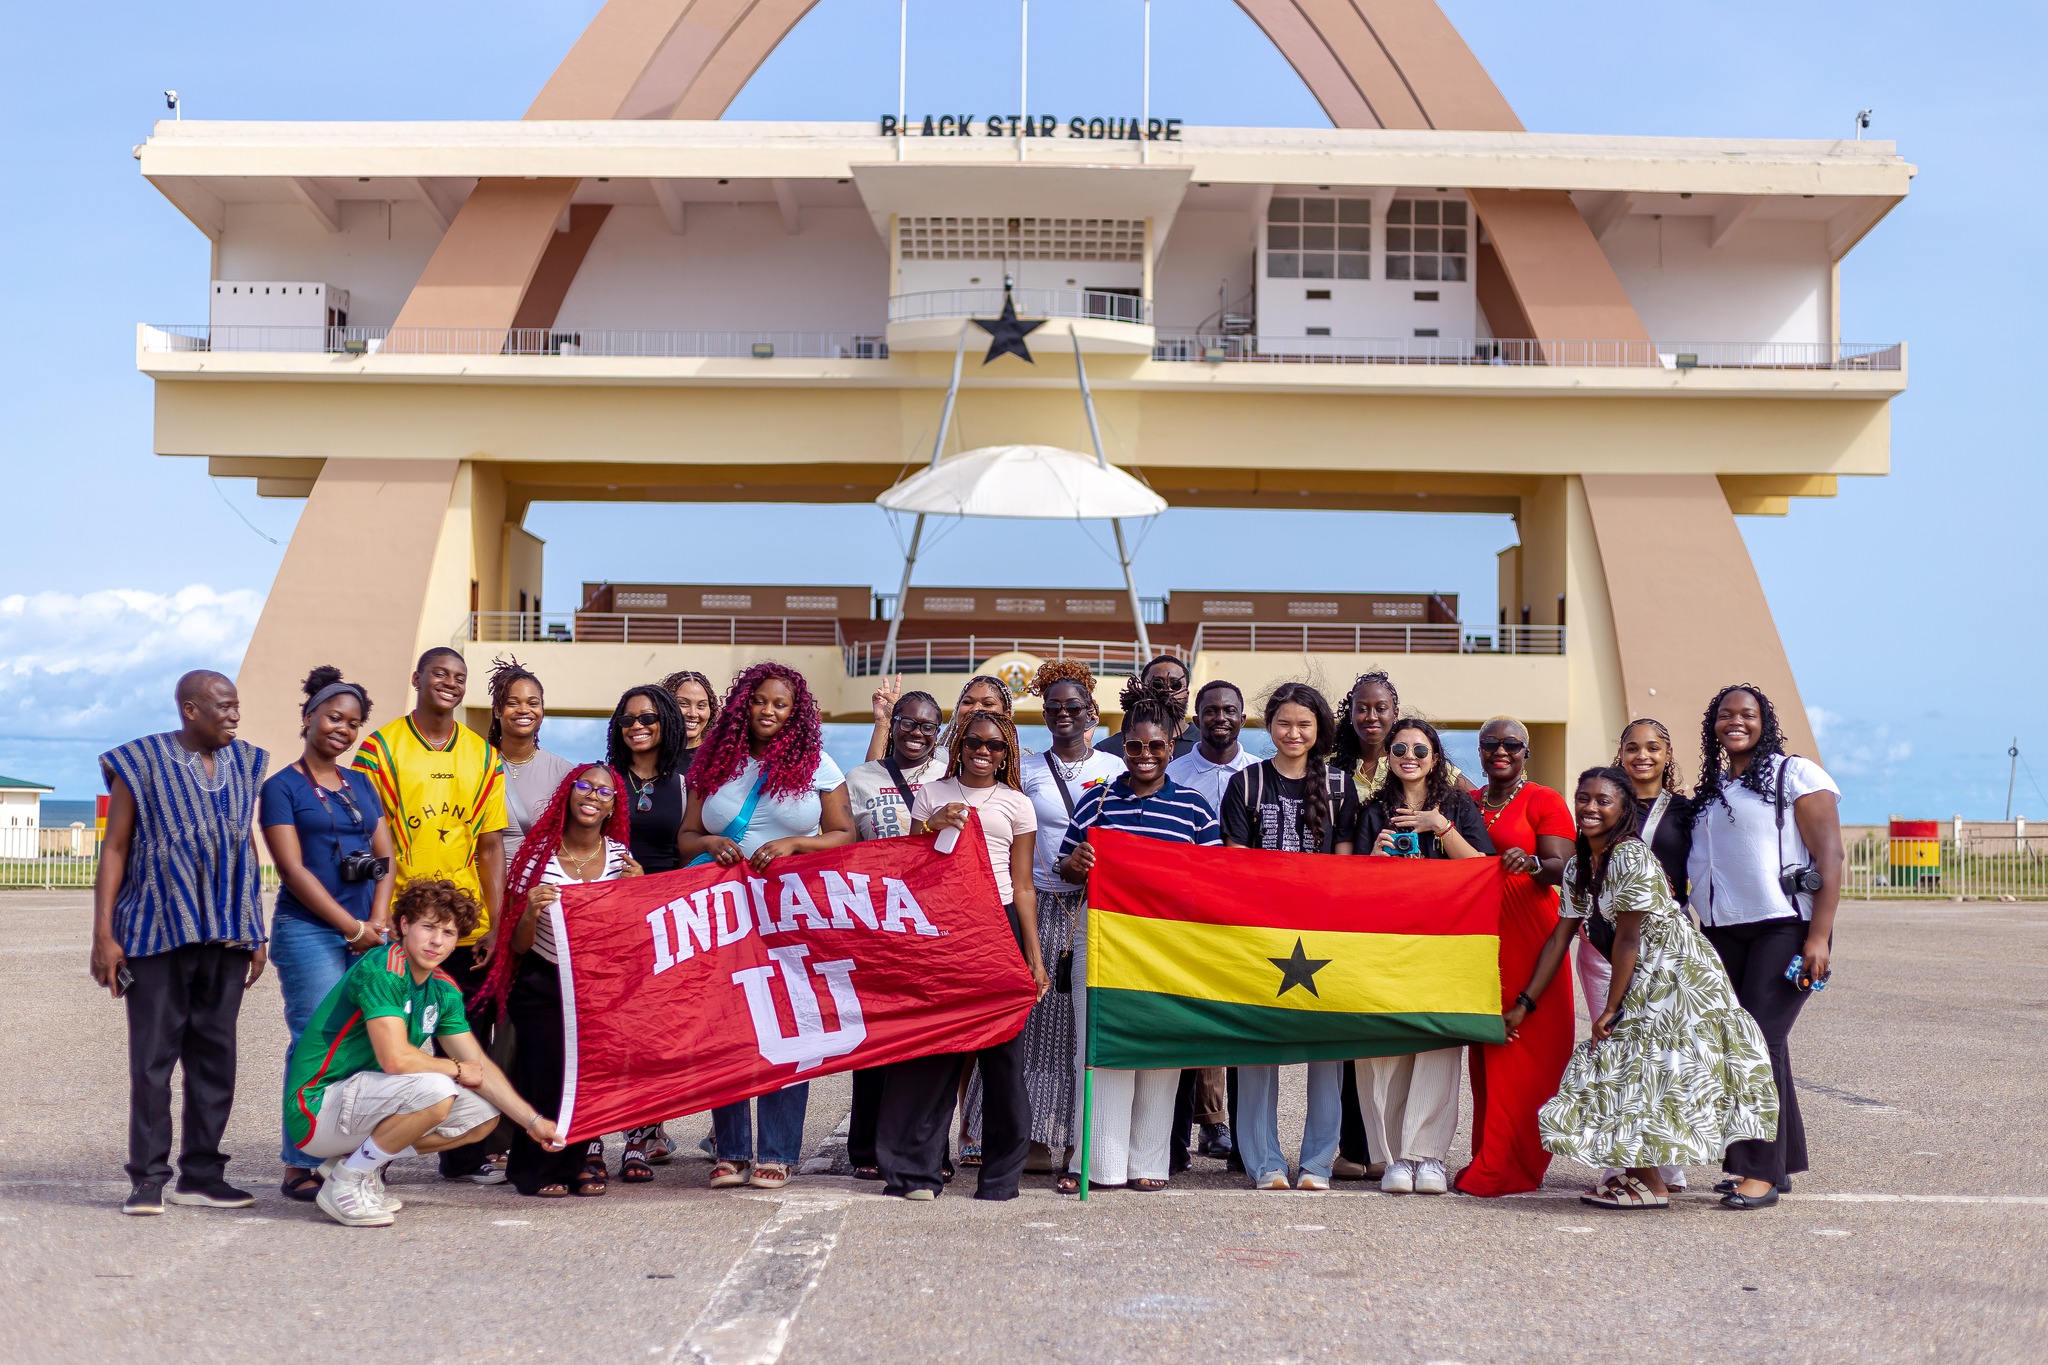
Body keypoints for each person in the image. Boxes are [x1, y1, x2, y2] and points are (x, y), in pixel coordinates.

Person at [1510, 767, 1778, 1210]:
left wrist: (1610, 1009)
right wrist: (1525, 1003)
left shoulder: (1630, 856)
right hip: (1640, 969)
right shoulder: (1579, 864)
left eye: (1603, 800)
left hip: (1675, 972)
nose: (1590, 808)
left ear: (1623, 810)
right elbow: (1561, 936)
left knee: (1637, 1064)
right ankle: (1647, 1180)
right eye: (1583, 798)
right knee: (1632, 1070)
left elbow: (1630, 937)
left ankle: (1652, 1183)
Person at [285, 878, 568, 1227]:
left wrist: (533, 1122)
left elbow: (479, 1064)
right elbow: (396, 1059)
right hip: (316, 1107)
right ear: (404, 925)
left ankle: (357, 1163)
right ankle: (346, 1180)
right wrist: (456, 1069)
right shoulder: (384, 968)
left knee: (481, 1114)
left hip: (361, 1102)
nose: (437, 941)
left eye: (448, 933)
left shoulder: (443, 989)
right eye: (428, 927)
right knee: (437, 1089)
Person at [93, 671, 271, 1216]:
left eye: (238, 705)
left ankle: (202, 1175)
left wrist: (254, 926)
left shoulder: (248, 763)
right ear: (190, 710)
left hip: (227, 931)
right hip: (155, 931)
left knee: (216, 1057)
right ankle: (147, 1179)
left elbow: (245, 846)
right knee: (153, 1058)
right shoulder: (140, 762)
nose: (235, 716)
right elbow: (116, 848)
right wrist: (103, 935)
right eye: (223, 707)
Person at [679, 662, 853, 1190]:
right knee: (724, 1026)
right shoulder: (712, 761)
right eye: (761, 701)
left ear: (796, 712)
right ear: (743, 705)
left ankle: (778, 1151)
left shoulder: (819, 765)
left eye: (781, 704)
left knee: (787, 1022)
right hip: (720, 911)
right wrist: (710, 844)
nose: (770, 711)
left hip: (787, 911)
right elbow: (686, 837)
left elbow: (844, 834)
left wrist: (796, 844)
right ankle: (730, 1150)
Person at [1056, 676, 1222, 1193]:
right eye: (1135, 745)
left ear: (1171, 747)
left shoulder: (1195, 806)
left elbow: (1213, 876)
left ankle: (1148, 1161)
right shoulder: (1097, 802)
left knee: (1158, 1049)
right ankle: (1095, 1162)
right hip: (1103, 941)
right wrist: (1077, 863)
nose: (1145, 754)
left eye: (1155, 745)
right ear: (1121, 747)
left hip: (1166, 945)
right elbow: (1064, 863)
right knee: (1100, 1047)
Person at [876, 711, 1050, 1200]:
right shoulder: (932, 793)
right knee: (934, 1051)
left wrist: (1033, 957)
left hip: (1000, 925)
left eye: (995, 746)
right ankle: (916, 1173)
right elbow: (909, 867)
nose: (984, 751)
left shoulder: (1017, 803)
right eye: (975, 742)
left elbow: (1023, 885)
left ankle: (999, 1177)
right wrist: (930, 824)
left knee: (1002, 1056)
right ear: (959, 744)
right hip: (942, 927)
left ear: (1006, 753)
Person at [352, 646, 509, 1184]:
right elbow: (368, 838)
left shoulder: (484, 756)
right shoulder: (379, 748)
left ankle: (462, 1159)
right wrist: (373, 916)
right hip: (400, 919)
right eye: (439, 673)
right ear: (417, 678)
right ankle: (375, 1156)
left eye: (459, 677)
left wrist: (493, 919)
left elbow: (490, 846)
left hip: (460, 924)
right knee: (396, 1041)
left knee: (463, 1033)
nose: (449, 683)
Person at [1688, 684, 1843, 1210]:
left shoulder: (1794, 773)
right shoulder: (1713, 787)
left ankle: (1758, 1173)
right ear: (1713, 725)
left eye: (1747, 714)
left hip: (1785, 927)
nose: (1736, 722)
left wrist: (1818, 936)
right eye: (1725, 715)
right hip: (1724, 931)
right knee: (1750, 1042)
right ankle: (1779, 1162)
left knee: (1757, 1041)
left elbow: (1830, 855)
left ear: (1764, 721)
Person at [259, 666, 396, 1203]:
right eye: (334, 717)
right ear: (308, 716)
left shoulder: (361, 784)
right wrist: (352, 927)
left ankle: (352, 1155)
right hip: (309, 930)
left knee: (366, 1043)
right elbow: (292, 869)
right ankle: (299, 1161)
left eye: (354, 722)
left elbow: (385, 856)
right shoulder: (282, 787)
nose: (343, 728)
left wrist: (378, 924)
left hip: (368, 931)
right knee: (314, 1041)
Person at [477, 764, 641, 1197]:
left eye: (605, 792)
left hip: (595, 985)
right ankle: (536, 1170)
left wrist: (637, 889)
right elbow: (517, 944)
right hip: (544, 982)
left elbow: (629, 930)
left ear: (613, 807)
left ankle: (580, 1163)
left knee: (588, 1076)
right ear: (568, 794)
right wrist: (530, 909)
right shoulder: (536, 857)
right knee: (545, 1075)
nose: (593, 796)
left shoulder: (621, 858)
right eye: (584, 786)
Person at [1220, 682, 1359, 1191]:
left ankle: (1319, 1163)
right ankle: (1265, 1163)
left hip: (1323, 932)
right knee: (1259, 1045)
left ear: (1319, 729)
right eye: (1283, 723)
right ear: (1269, 727)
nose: (1293, 732)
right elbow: (1235, 864)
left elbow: (1345, 867)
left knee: (1328, 1049)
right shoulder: (1247, 784)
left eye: (1304, 724)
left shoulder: (1342, 786)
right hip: (1261, 933)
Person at [1350, 716, 1493, 1195]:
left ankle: (1427, 1155)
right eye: (1399, 750)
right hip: (1387, 945)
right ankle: (1393, 1158)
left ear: (1436, 758)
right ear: (1387, 758)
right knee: (1385, 1052)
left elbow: (1483, 869)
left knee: (1437, 1047)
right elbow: (1353, 885)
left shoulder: (1460, 807)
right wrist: (1375, 857)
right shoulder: (1372, 810)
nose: (1409, 758)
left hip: (1444, 945)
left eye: (1420, 750)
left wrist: (1441, 826)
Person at [1455, 717, 1577, 1197]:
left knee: (1526, 1052)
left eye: (1511, 744)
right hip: (1483, 942)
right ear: (1480, 752)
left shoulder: (1543, 800)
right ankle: (1489, 1157)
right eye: (1490, 745)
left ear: (1526, 751)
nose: (1500, 752)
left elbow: (1563, 867)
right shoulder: (1468, 803)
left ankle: (1513, 1165)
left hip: (1532, 938)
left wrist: (1531, 864)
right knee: (1488, 1058)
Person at [1573, 717, 1695, 1194]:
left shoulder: (1686, 811)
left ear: (1668, 754)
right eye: (1632, 747)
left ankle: (1666, 1161)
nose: (1642, 756)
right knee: (1615, 1050)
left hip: (1663, 948)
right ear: (1619, 754)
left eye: (1653, 748)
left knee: (1663, 1054)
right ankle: (1618, 1156)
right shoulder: (1602, 801)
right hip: (1606, 944)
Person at [1015, 660, 1124, 1176]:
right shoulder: (1027, 768)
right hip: (1041, 903)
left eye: (1073, 707)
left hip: (1096, 911)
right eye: (1053, 706)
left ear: (1092, 714)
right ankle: (1035, 1136)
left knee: (1081, 1030)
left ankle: (1077, 1139)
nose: (1063, 714)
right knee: (1038, 1025)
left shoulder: (1118, 769)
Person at [841, 689, 948, 1181]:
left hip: (937, 924)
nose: (917, 733)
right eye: (908, 722)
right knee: (876, 1039)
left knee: (930, 1043)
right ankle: (865, 1147)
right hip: (876, 925)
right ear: (895, 723)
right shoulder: (862, 778)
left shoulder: (953, 773)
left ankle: (929, 1149)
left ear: (940, 731)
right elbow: (846, 846)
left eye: (928, 726)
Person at [1162, 679, 1255, 1168]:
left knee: (1239, 1034)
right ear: (1196, 718)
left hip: (1240, 922)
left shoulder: (1260, 775)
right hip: (1185, 921)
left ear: (1243, 717)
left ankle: (1241, 1144)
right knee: (1182, 1031)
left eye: (1230, 710)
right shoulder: (1172, 772)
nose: (1221, 717)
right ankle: (1173, 1147)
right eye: (1211, 710)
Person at [489, 657, 574, 869]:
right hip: (479, 890)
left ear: (542, 711)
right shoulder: (476, 763)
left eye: (533, 703)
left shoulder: (564, 772)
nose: (524, 710)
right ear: (498, 710)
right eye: (512, 703)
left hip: (537, 891)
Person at [1094, 656, 1197, 759]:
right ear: (1143, 689)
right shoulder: (1107, 751)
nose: (1166, 690)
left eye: (1175, 685)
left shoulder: (1206, 746)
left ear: (1187, 694)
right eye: (1157, 684)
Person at [662, 669, 718, 783]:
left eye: (701, 705)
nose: (692, 713)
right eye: (683, 704)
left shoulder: (718, 759)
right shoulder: (651, 756)